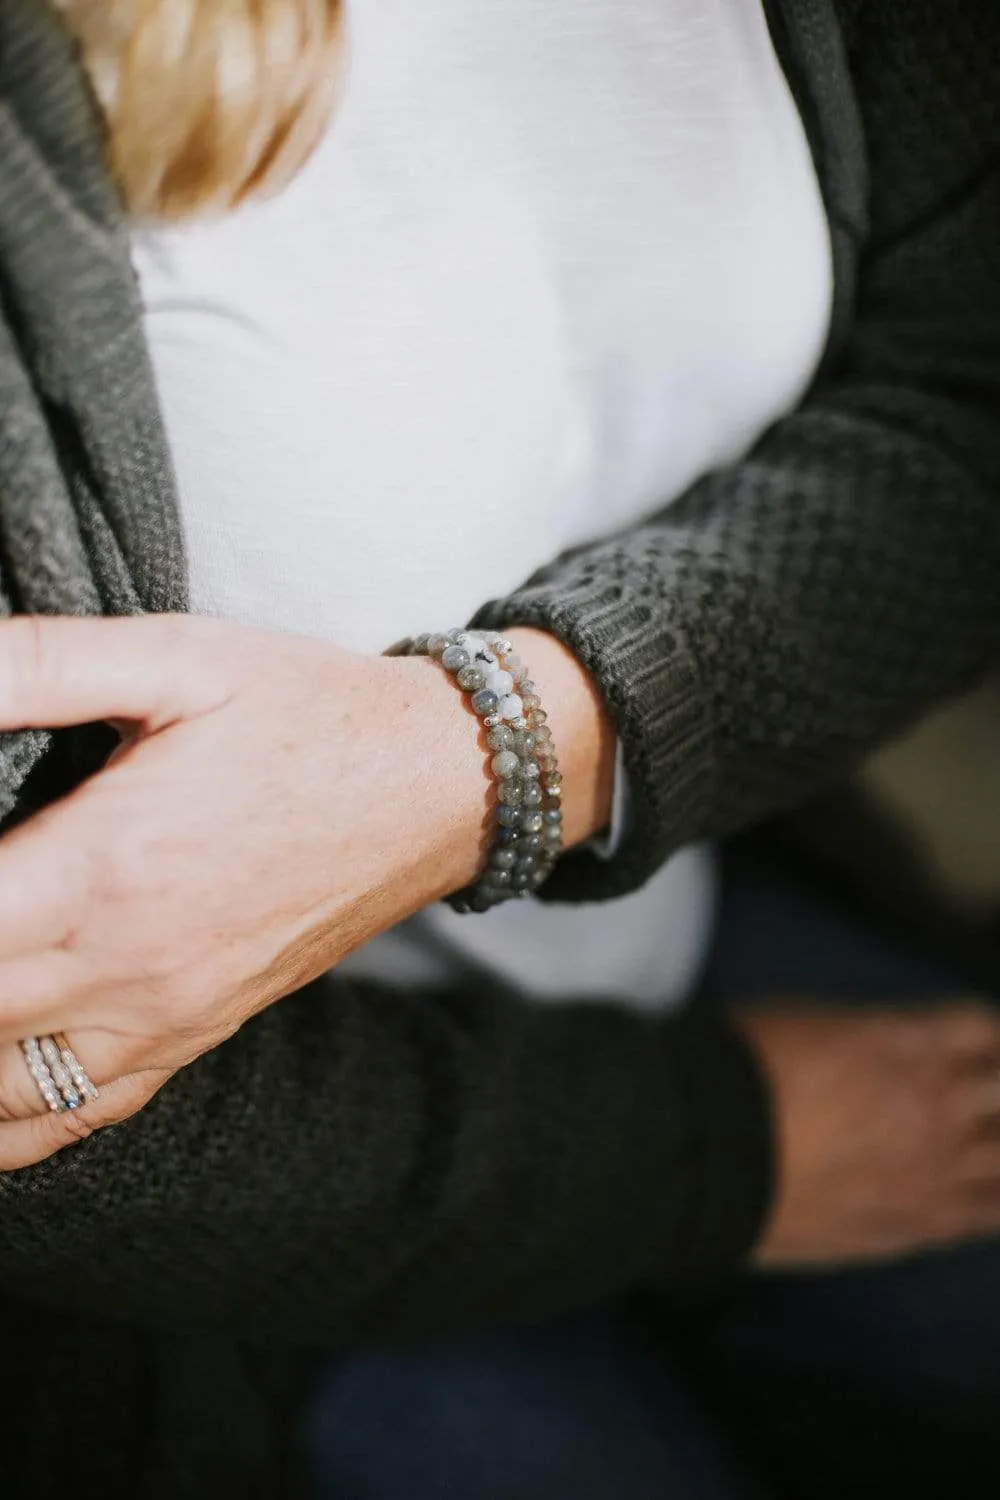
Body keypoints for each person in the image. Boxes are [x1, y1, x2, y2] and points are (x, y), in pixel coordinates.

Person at [0, 0, 997, 1494]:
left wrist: (493, 749)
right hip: (234, 1243)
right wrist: (725, 1154)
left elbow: (962, 404)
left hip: (711, 896)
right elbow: (35, 1107)